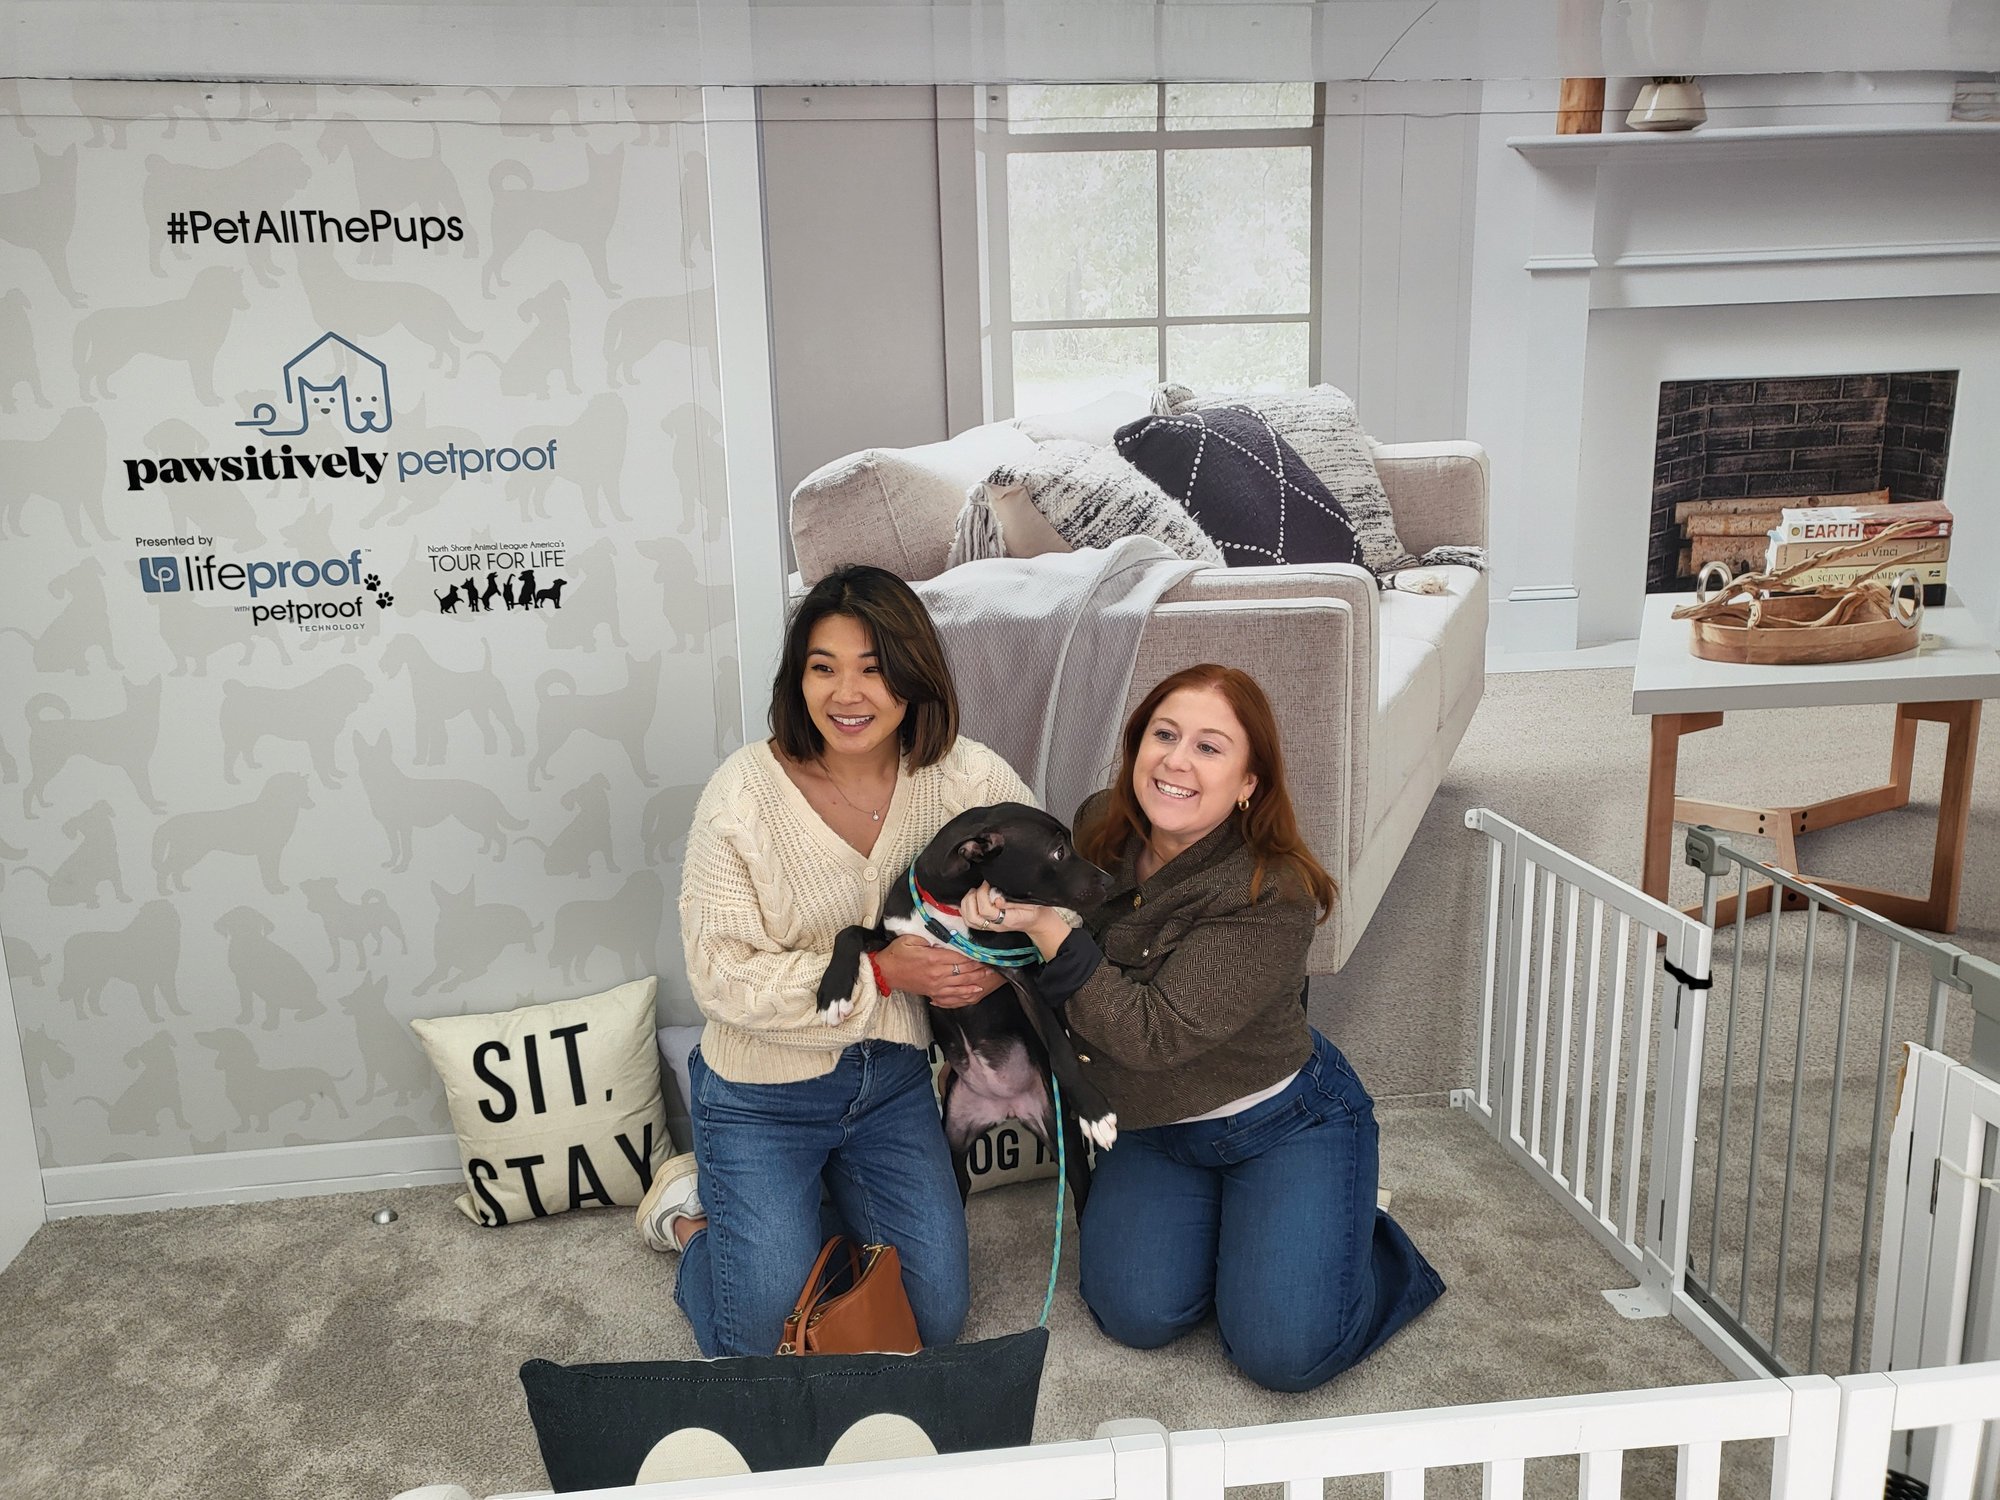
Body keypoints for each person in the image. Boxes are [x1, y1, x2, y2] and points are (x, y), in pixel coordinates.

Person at [960, 663, 1444, 1391]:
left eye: (1211, 748)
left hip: (1280, 1122)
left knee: (1285, 1354)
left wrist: (1050, 929)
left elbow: (1154, 1033)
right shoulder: (1099, 826)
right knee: (1135, 1314)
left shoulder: (1271, 890)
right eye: (1164, 734)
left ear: (1250, 782)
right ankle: (1256, 1233)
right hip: (1155, 1128)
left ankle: (1364, 1243)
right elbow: (1029, 912)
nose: (1177, 761)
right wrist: (992, 909)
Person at [640, 563, 1036, 1358]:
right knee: (760, 1342)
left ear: (913, 677)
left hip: (890, 1086)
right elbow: (720, 978)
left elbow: (1042, 879)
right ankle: (688, 1216)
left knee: (931, 1321)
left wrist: (1002, 954)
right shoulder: (742, 797)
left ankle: (796, 1217)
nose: (847, 694)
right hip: (760, 1097)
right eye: (824, 668)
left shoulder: (965, 773)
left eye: (874, 668)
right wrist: (885, 974)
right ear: (799, 678)